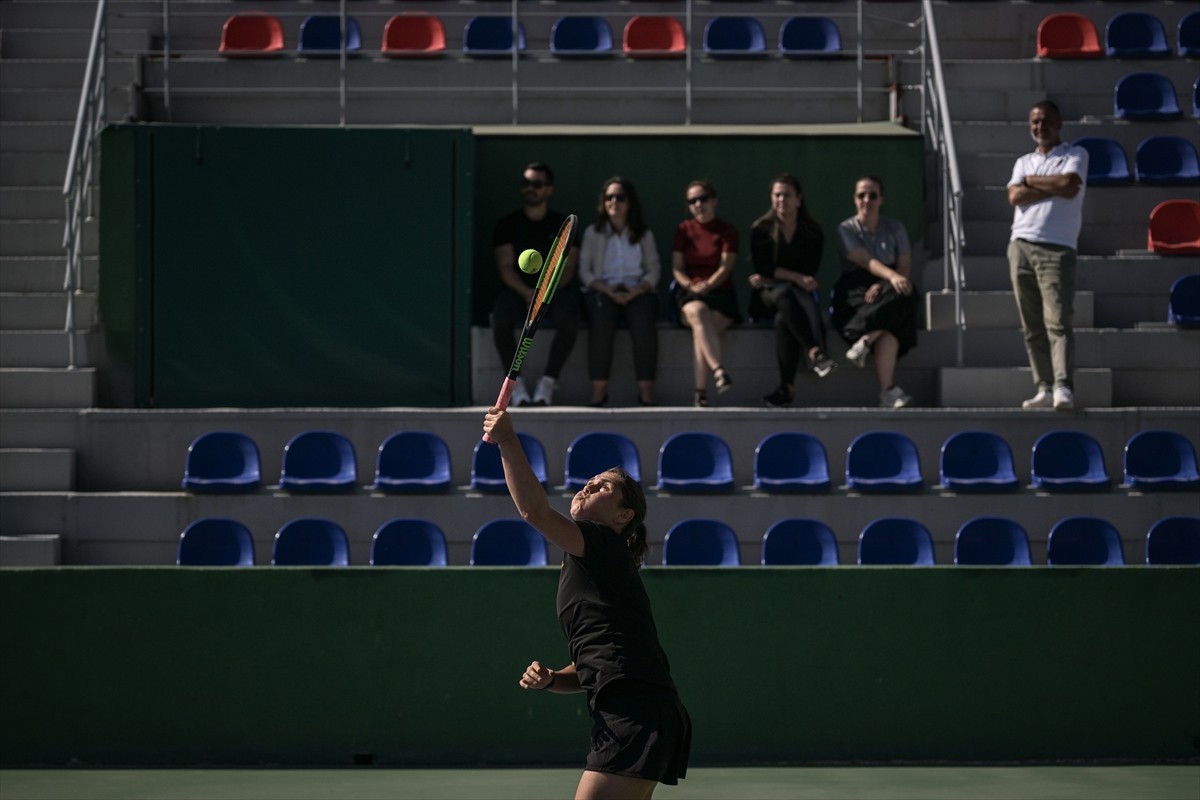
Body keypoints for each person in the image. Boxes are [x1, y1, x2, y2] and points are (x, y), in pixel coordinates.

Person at [482, 407, 691, 799]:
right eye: (591, 480)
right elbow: (602, 659)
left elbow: (534, 511)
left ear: (623, 516)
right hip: (636, 708)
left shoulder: (602, 543)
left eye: (605, 487)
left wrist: (508, 440)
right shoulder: (597, 563)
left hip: (637, 711)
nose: (590, 484)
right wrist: (552, 680)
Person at [1006, 99, 1088, 411]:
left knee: (1058, 319)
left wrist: (1030, 184)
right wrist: (1045, 186)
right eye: (1035, 122)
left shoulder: (1076, 154)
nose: (1040, 127)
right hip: (1020, 246)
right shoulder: (1023, 161)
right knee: (1032, 325)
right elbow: (1014, 196)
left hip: (1057, 246)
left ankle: (1063, 385)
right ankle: (1043, 386)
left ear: (1059, 123)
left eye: (1046, 121)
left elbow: (1068, 185)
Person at [491, 162, 581, 407]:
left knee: (570, 317)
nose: (531, 189)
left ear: (549, 189)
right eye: (526, 184)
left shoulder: (561, 224)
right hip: (518, 291)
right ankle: (514, 386)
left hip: (553, 292)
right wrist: (527, 292)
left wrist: (544, 293)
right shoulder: (507, 224)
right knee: (500, 316)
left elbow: (568, 268)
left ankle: (548, 382)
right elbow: (506, 266)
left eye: (537, 184)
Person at [747, 173, 836, 408]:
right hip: (766, 295)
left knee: (783, 319)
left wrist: (777, 274)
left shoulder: (812, 232)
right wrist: (794, 276)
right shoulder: (761, 229)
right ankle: (814, 351)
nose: (781, 200)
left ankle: (786, 388)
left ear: (798, 199)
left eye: (787, 195)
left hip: (793, 299)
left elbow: (810, 269)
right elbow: (763, 267)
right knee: (783, 294)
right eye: (777, 195)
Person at [579, 177, 661, 407]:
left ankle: (646, 393)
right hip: (603, 290)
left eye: (620, 197)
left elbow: (654, 269)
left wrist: (639, 289)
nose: (614, 202)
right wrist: (605, 289)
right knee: (601, 325)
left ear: (630, 202)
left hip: (638, 291)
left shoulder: (643, 233)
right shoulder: (593, 233)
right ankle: (599, 393)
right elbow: (585, 271)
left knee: (644, 324)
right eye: (609, 197)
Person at [671, 180, 741, 408]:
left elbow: (726, 267)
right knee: (699, 313)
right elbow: (677, 268)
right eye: (693, 201)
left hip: (721, 296)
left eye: (703, 198)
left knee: (702, 333)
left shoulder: (727, 231)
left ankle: (700, 393)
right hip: (691, 296)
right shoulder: (684, 229)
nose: (699, 204)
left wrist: (709, 285)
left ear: (714, 201)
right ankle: (719, 371)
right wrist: (691, 286)